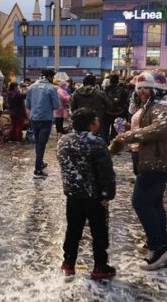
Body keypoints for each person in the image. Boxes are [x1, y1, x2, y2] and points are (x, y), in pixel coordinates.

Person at [116, 71, 167, 270]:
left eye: (146, 88)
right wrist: (128, 127)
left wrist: (130, 136)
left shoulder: (164, 104)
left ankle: (158, 248)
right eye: (139, 88)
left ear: (158, 89)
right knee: (154, 203)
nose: (142, 92)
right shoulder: (155, 104)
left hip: (160, 160)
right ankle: (160, 242)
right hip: (154, 158)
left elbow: (161, 128)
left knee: (141, 202)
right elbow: (152, 125)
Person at [57, 108, 116, 279]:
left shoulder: (63, 141)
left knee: (73, 229)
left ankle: (68, 263)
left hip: (73, 195)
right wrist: (107, 194)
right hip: (94, 196)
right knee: (99, 231)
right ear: (92, 124)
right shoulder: (96, 142)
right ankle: (100, 265)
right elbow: (106, 172)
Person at [26, 69, 60, 178]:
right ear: (49, 77)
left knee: (38, 143)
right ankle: (38, 168)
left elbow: (28, 105)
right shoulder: (51, 88)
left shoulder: (31, 87)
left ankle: (40, 163)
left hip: (34, 119)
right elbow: (56, 105)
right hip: (46, 119)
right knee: (41, 144)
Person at [70, 75, 111, 141]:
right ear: (94, 83)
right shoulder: (100, 93)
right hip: (96, 121)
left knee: (80, 139)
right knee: (98, 140)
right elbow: (109, 105)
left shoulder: (76, 93)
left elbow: (73, 108)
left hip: (80, 119)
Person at [103, 74, 130, 142]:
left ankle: (106, 145)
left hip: (107, 113)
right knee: (117, 130)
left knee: (105, 130)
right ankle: (115, 146)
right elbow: (126, 101)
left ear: (110, 81)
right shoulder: (123, 90)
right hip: (119, 113)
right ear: (118, 81)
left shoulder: (105, 90)